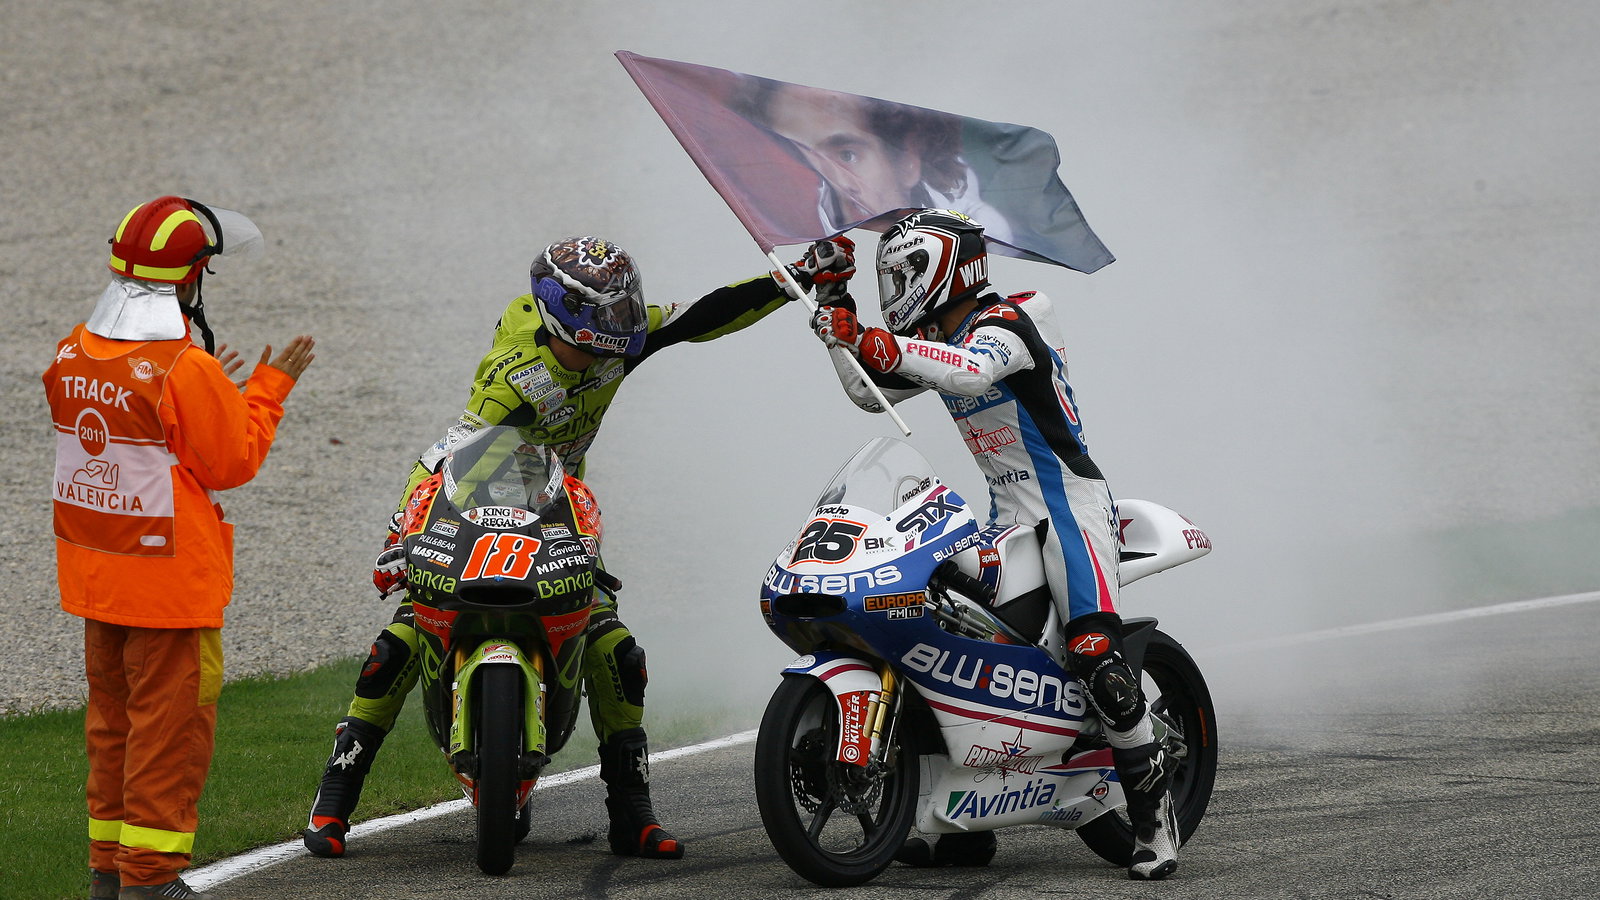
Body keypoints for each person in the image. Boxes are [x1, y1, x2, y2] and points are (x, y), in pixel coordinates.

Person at [302, 234, 856, 861]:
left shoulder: (609, 343)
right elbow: (445, 457)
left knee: (615, 649)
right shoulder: (513, 380)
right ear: (559, 312)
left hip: (555, 512)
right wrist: (400, 536)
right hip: (474, 508)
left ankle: (633, 814)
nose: (620, 329)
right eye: (604, 316)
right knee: (399, 641)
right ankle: (333, 801)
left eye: (624, 312)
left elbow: (698, 318)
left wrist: (794, 280)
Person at [808, 209, 1182, 880]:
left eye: (900, 274)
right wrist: (836, 308)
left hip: (1069, 507)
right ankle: (966, 828)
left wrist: (874, 340)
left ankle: (1155, 822)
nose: (894, 289)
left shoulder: (1006, 323)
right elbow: (872, 396)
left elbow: (969, 373)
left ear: (945, 268)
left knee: (1093, 649)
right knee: (948, 633)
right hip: (1005, 514)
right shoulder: (937, 337)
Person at [46, 195, 315, 900]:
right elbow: (230, 462)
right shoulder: (183, 367)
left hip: (99, 584)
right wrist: (265, 389)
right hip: (169, 595)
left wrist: (209, 391)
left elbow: (146, 435)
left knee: (111, 735)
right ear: (191, 276)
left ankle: (109, 875)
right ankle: (151, 883)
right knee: (167, 742)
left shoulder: (75, 348)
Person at [732, 77, 1015, 243]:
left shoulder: (977, 233)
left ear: (907, 161)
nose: (829, 181)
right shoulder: (775, 231)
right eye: (799, 158)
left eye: (847, 155)